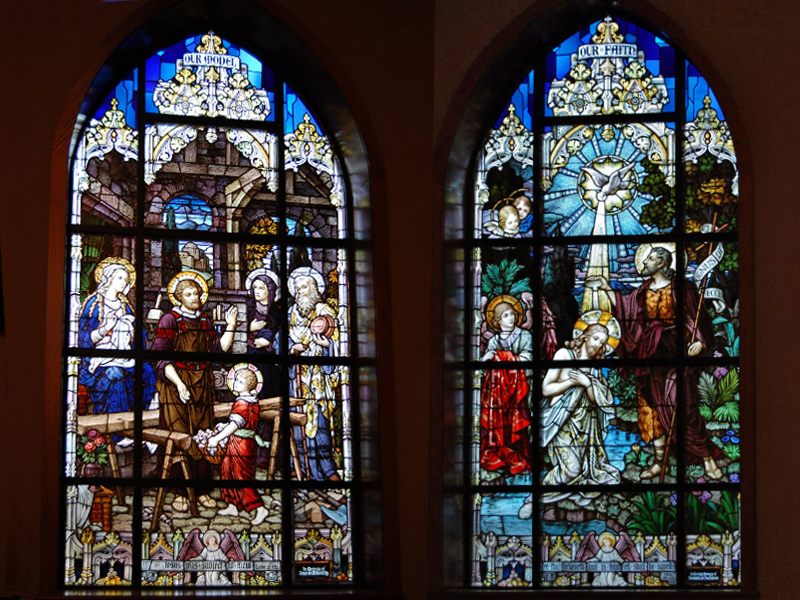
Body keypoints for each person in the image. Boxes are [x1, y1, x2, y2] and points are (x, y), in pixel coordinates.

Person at [589, 245, 723, 480]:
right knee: (650, 408)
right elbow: (626, 308)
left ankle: (707, 458)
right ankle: (661, 461)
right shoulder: (642, 291)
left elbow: (697, 317)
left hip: (676, 354)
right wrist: (607, 288)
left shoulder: (682, 287)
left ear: (662, 262)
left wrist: (700, 342)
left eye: (649, 259)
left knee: (685, 406)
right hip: (650, 355)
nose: (644, 263)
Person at [152, 271, 238, 509]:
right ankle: (179, 491)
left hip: (202, 384)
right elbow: (160, 356)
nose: (195, 298)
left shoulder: (205, 321)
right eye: (189, 294)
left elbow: (218, 349)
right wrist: (179, 384)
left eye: (197, 293)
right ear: (179, 297)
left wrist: (231, 326)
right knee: (179, 435)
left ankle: (201, 490)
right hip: (175, 384)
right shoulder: (170, 320)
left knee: (204, 434)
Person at [540, 314, 620, 506]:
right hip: (562, 424)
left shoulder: (594, 369)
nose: (598, 344)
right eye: (596, 338)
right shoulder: (564, 355)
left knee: (589, 471)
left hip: (587, 427)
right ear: (585, 337)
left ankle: (573, 495)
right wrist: (570, 382)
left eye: (602, 343)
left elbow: (599, 400)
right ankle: (540, 495)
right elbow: (546, 389)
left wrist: (587, 383)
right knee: (571, 471)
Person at [78, 258, 155, 432]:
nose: (124, 282)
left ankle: (142, 424)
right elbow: (81, 338)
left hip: (124, 356)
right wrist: (105, 329)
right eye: (120, 278)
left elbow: (138, 338)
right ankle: (117, 432)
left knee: (147, 371)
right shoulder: (93, 304)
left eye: (126, 279)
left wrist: (132, 334)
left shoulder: (125, 306)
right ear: (108, 278)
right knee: (115, 373)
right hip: (97, 361)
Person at [288, 266, 340, 481]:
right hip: (297, 377)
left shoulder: (325, 312)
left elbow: (337, 342)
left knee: (319, 424)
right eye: (298, 288)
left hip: (318, 379)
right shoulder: (291, 314)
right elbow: (284, 342)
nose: (301, 292)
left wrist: (326, 347)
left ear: (315, 288)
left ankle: (326, 469)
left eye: (304, 287)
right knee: (297, 421)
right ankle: (300, 465)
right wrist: (293, 350)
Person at [207, 365, 270, 526]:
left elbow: (235, 425)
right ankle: (232, 505)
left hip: (242, 444)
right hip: (237, 441)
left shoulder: (243, 403)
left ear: (249, 386)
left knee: (241, 475)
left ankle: (259, 508)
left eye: (240, 381)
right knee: (227, 471)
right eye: (235, 380)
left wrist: (216, 439)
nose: (235, 383)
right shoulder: (249, 401)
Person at [479, 295, 533, 477]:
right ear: (497, 320)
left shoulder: (525, 336)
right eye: (506, 315)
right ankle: (500, 455)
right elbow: (486, 366)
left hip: (520, 389)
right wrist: (488, 358)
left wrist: (502, 357)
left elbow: (528, 358)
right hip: (499, 394)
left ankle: (520, 456)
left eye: (513, 314)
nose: (511, 318)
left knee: (519, 424)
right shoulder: (494, 341)